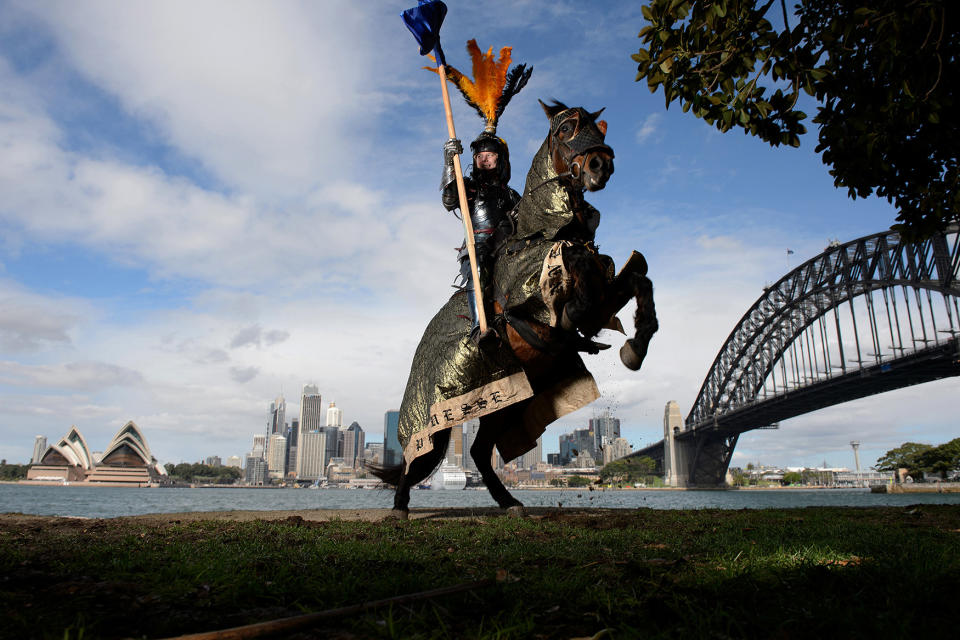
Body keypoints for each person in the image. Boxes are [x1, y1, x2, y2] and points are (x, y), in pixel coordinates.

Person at [441, 131, 521, 347]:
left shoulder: (511, 195)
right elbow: (449, 200)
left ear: (500, 158)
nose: (483, 159)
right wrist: (450, 163)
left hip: (507, 249)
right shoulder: (468, 186)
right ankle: (480, 328)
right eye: (479, 156)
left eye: (489, 155)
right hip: (477, 250)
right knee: (477, 267)